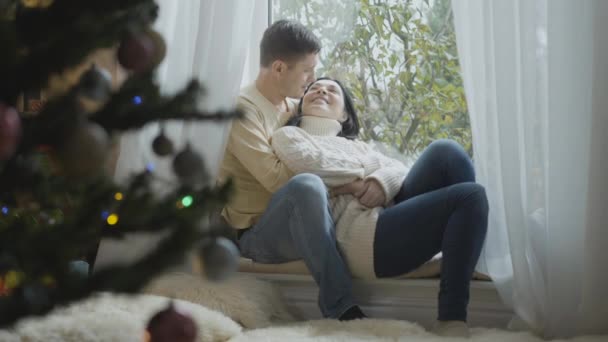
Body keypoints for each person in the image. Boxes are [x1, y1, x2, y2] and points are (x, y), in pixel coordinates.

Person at [271, 77, 489, 337]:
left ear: (344, 115)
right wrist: (361, 179)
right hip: (361, 238)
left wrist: (379, 181)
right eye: (313, 88)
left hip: (387, 215)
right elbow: (311, 163)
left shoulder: (360, 147)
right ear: (301, 105)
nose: (321, 91)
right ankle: (452, 318)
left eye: (332, 90)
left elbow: (398, 168)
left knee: (446, 151)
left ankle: (465, 262)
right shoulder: (288, 135)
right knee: (470, 197)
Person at [218, 21, 366, 321]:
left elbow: (325, 145)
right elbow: (275, 179)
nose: (313, 80)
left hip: (310, 216)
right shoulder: (243, 111)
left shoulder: (293, 104)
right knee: (306, 185)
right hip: (259, 234)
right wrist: (344, 185)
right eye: (307, 71)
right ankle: (342, 308)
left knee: (314, 183)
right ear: (279, 68)